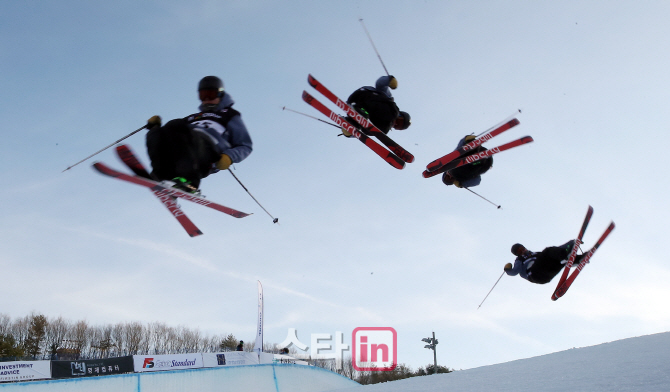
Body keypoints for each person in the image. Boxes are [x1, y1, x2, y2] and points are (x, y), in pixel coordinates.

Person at [145, 75, 253, 192]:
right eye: (202, 95)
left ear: (220, 94)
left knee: (182, 129)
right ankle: (163, 176)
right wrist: (155, 126)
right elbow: (171, 133)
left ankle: (190, 182)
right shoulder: (193, 117)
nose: (206, 99)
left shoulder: (230, 115)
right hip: (185, 152)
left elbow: (245, 145)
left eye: (210, 95)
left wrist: (229, 157)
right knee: (161, 131)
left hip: (208, 152)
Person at [342, 75, 411, 136]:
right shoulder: (390, 105)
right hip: (365, 95)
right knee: (391, 117)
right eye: (399, 122)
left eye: (396, 127)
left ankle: (352, 125)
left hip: (357, 105)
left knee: (382, 130)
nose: (395, 125)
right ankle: (359, 113)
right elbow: (380, 84)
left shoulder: (384, 120)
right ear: (400, 115)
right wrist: (390, 80)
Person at [504, 241, 586, 284]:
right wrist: (507, 269)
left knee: (557, 259)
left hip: (546, 277)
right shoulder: (520, 260)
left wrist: (572, 242)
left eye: (522, 248)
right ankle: (566, 256)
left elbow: (557, 249)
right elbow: (514, 272)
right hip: (534, 274)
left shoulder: (537, 255)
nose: (522, 251)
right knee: (548, 251)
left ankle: (579, 259)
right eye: (519, 251)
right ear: (517, 254)